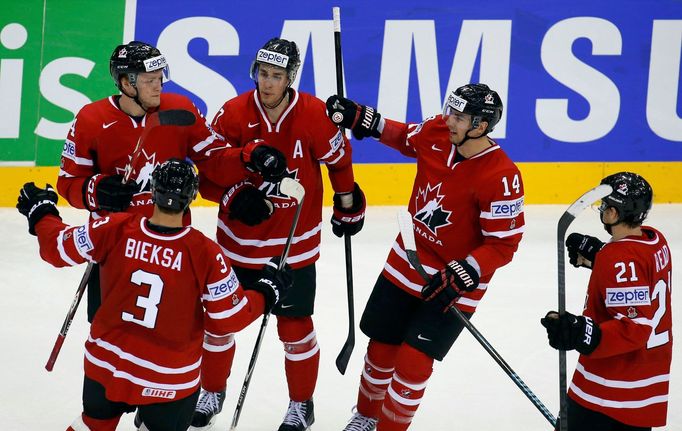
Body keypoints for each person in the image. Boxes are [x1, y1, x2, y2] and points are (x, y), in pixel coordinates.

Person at [17, 159, 293, 431]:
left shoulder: (114, 228)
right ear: (192, 197)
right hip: (168, 380)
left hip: (107, 364)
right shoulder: (204, 252)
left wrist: (42, 212)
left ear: (152, 190)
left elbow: (56, 247)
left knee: (93, 424)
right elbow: (230, 318)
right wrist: (267, 290)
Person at [325, 83, 525, 431]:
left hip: (452, 283)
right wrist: (364, 118)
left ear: (480, 125)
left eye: (460, 117)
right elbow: (406, 137)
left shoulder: (502, 176)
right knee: (380, 351)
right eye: (451, 112)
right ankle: (365, 417)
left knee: (413, 365)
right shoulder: (437, 131)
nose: (450, 121)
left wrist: (468, 269)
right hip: (407, 261)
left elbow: (504, 244)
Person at [193, 37, 366, 431]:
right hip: (237, 244)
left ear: (291, 78)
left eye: (276, 75)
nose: (267, 83)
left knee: (295, 330)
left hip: (294, 245)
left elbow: (339, 161)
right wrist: (235, 196)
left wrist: (346, 200)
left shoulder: (315, 115)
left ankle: (301, 405)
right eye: (262, 73)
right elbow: (208, 179)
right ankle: (212, 390)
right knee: (220, 322)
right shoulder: (232, 114)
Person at [56, 41, 286, 324]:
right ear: (127, 84)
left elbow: (214, 160)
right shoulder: (91, 119)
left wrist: (248, 155)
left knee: (170, 335)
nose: (159, 86)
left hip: (172, 250)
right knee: (108, 338)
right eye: (150, 80)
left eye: (160, 78)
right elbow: (68, 183)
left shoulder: (180, 109)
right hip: (113, 249)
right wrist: (95, 191)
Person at [541, 172, 673, 431]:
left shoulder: (619, 259)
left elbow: (635, 328)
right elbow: (636, 280)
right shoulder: (655, 241)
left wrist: (582, 332)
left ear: (613, 213)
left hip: (609, 390)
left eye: (604, 207)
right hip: (643, 387)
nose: (601, 210)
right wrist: (599, 256)